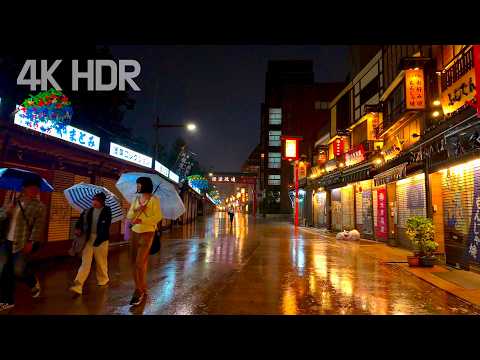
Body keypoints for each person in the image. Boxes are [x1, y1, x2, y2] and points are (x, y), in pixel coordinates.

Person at [0, 177, 46, 312]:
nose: (34, 191)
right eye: (31, 188)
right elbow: (1, 215)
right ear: (24, 188)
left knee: (18, 270)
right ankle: (7, 301)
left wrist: (31, 242)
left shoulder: (39, 206)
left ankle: (32, 282)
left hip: (22, 242)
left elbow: (38, 227)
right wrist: (6, 210)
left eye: (36, 189)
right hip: (5, 241)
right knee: (3, 270)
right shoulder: (13, 199)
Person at [126, 177, 163, 306]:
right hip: (135, 232)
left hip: (147, 233)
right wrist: (136, 212)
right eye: (137, 184)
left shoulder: (153, 200)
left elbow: (158, 216)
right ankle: (142, 287)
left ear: (145, 185)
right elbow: (129, 215)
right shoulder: (136, 199)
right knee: (133, 261)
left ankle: (138, 291)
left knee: (139, 262)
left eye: (139, 184)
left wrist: (143, 220)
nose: (137, 186)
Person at [69, 192, 112, 295]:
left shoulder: (107, 211)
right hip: (88, 238)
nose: (94, 202)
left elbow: (105, 226)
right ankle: (78, 285)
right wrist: (78, 229)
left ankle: (103, 279)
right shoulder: (87, 211)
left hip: (101, 239)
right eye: (94, 199)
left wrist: (99, 239)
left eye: (97, 200)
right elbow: (80, 221)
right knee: (85, 262)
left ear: (102, 201)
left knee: (100, 261)